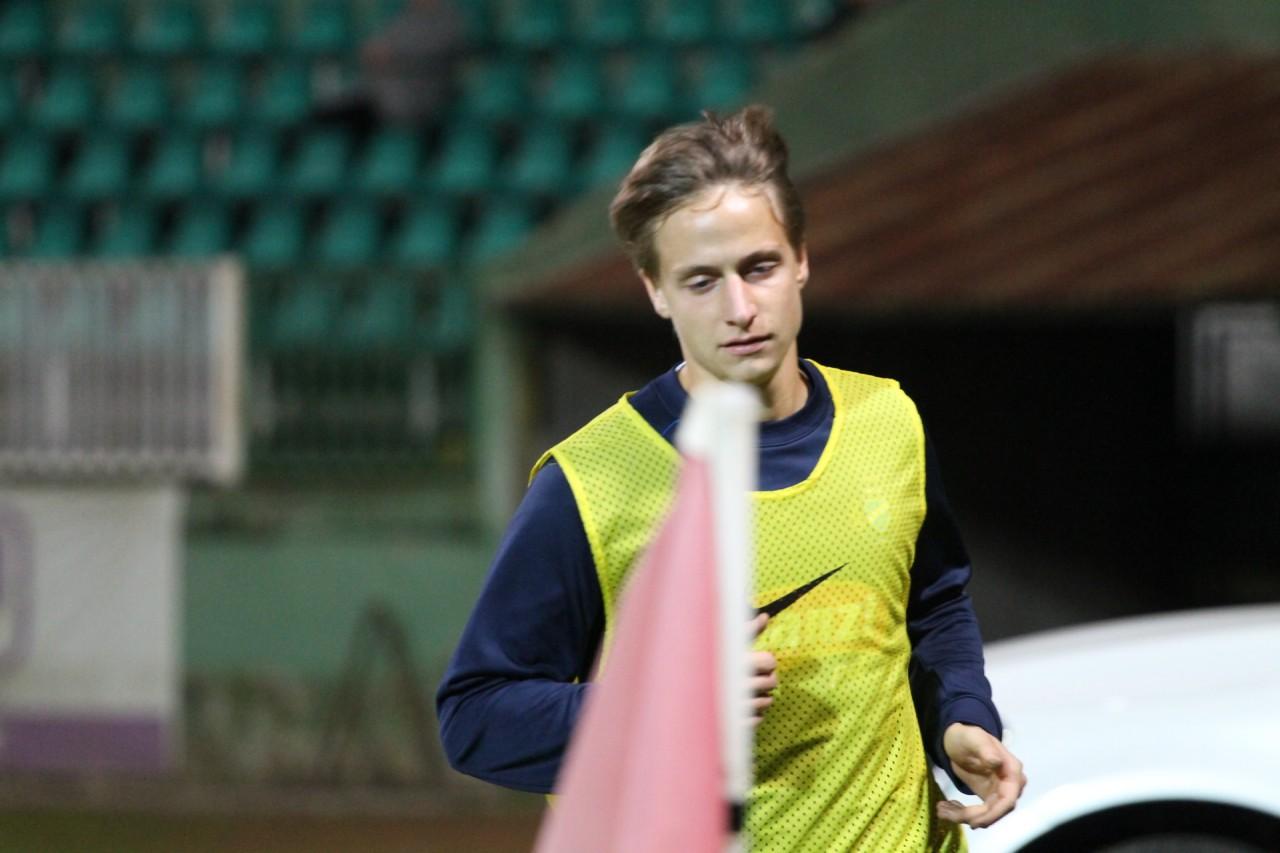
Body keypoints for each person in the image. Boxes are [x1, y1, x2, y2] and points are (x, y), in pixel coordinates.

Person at [436, 105, 1025, 850]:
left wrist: (960, 717)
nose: (740, 308)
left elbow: (931, 607)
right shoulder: (590, 480)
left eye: (759, 267)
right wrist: (664, 710)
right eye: (701, 281)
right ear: (656, 290)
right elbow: (476, 718)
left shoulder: (887, 419)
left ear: (801, 258)